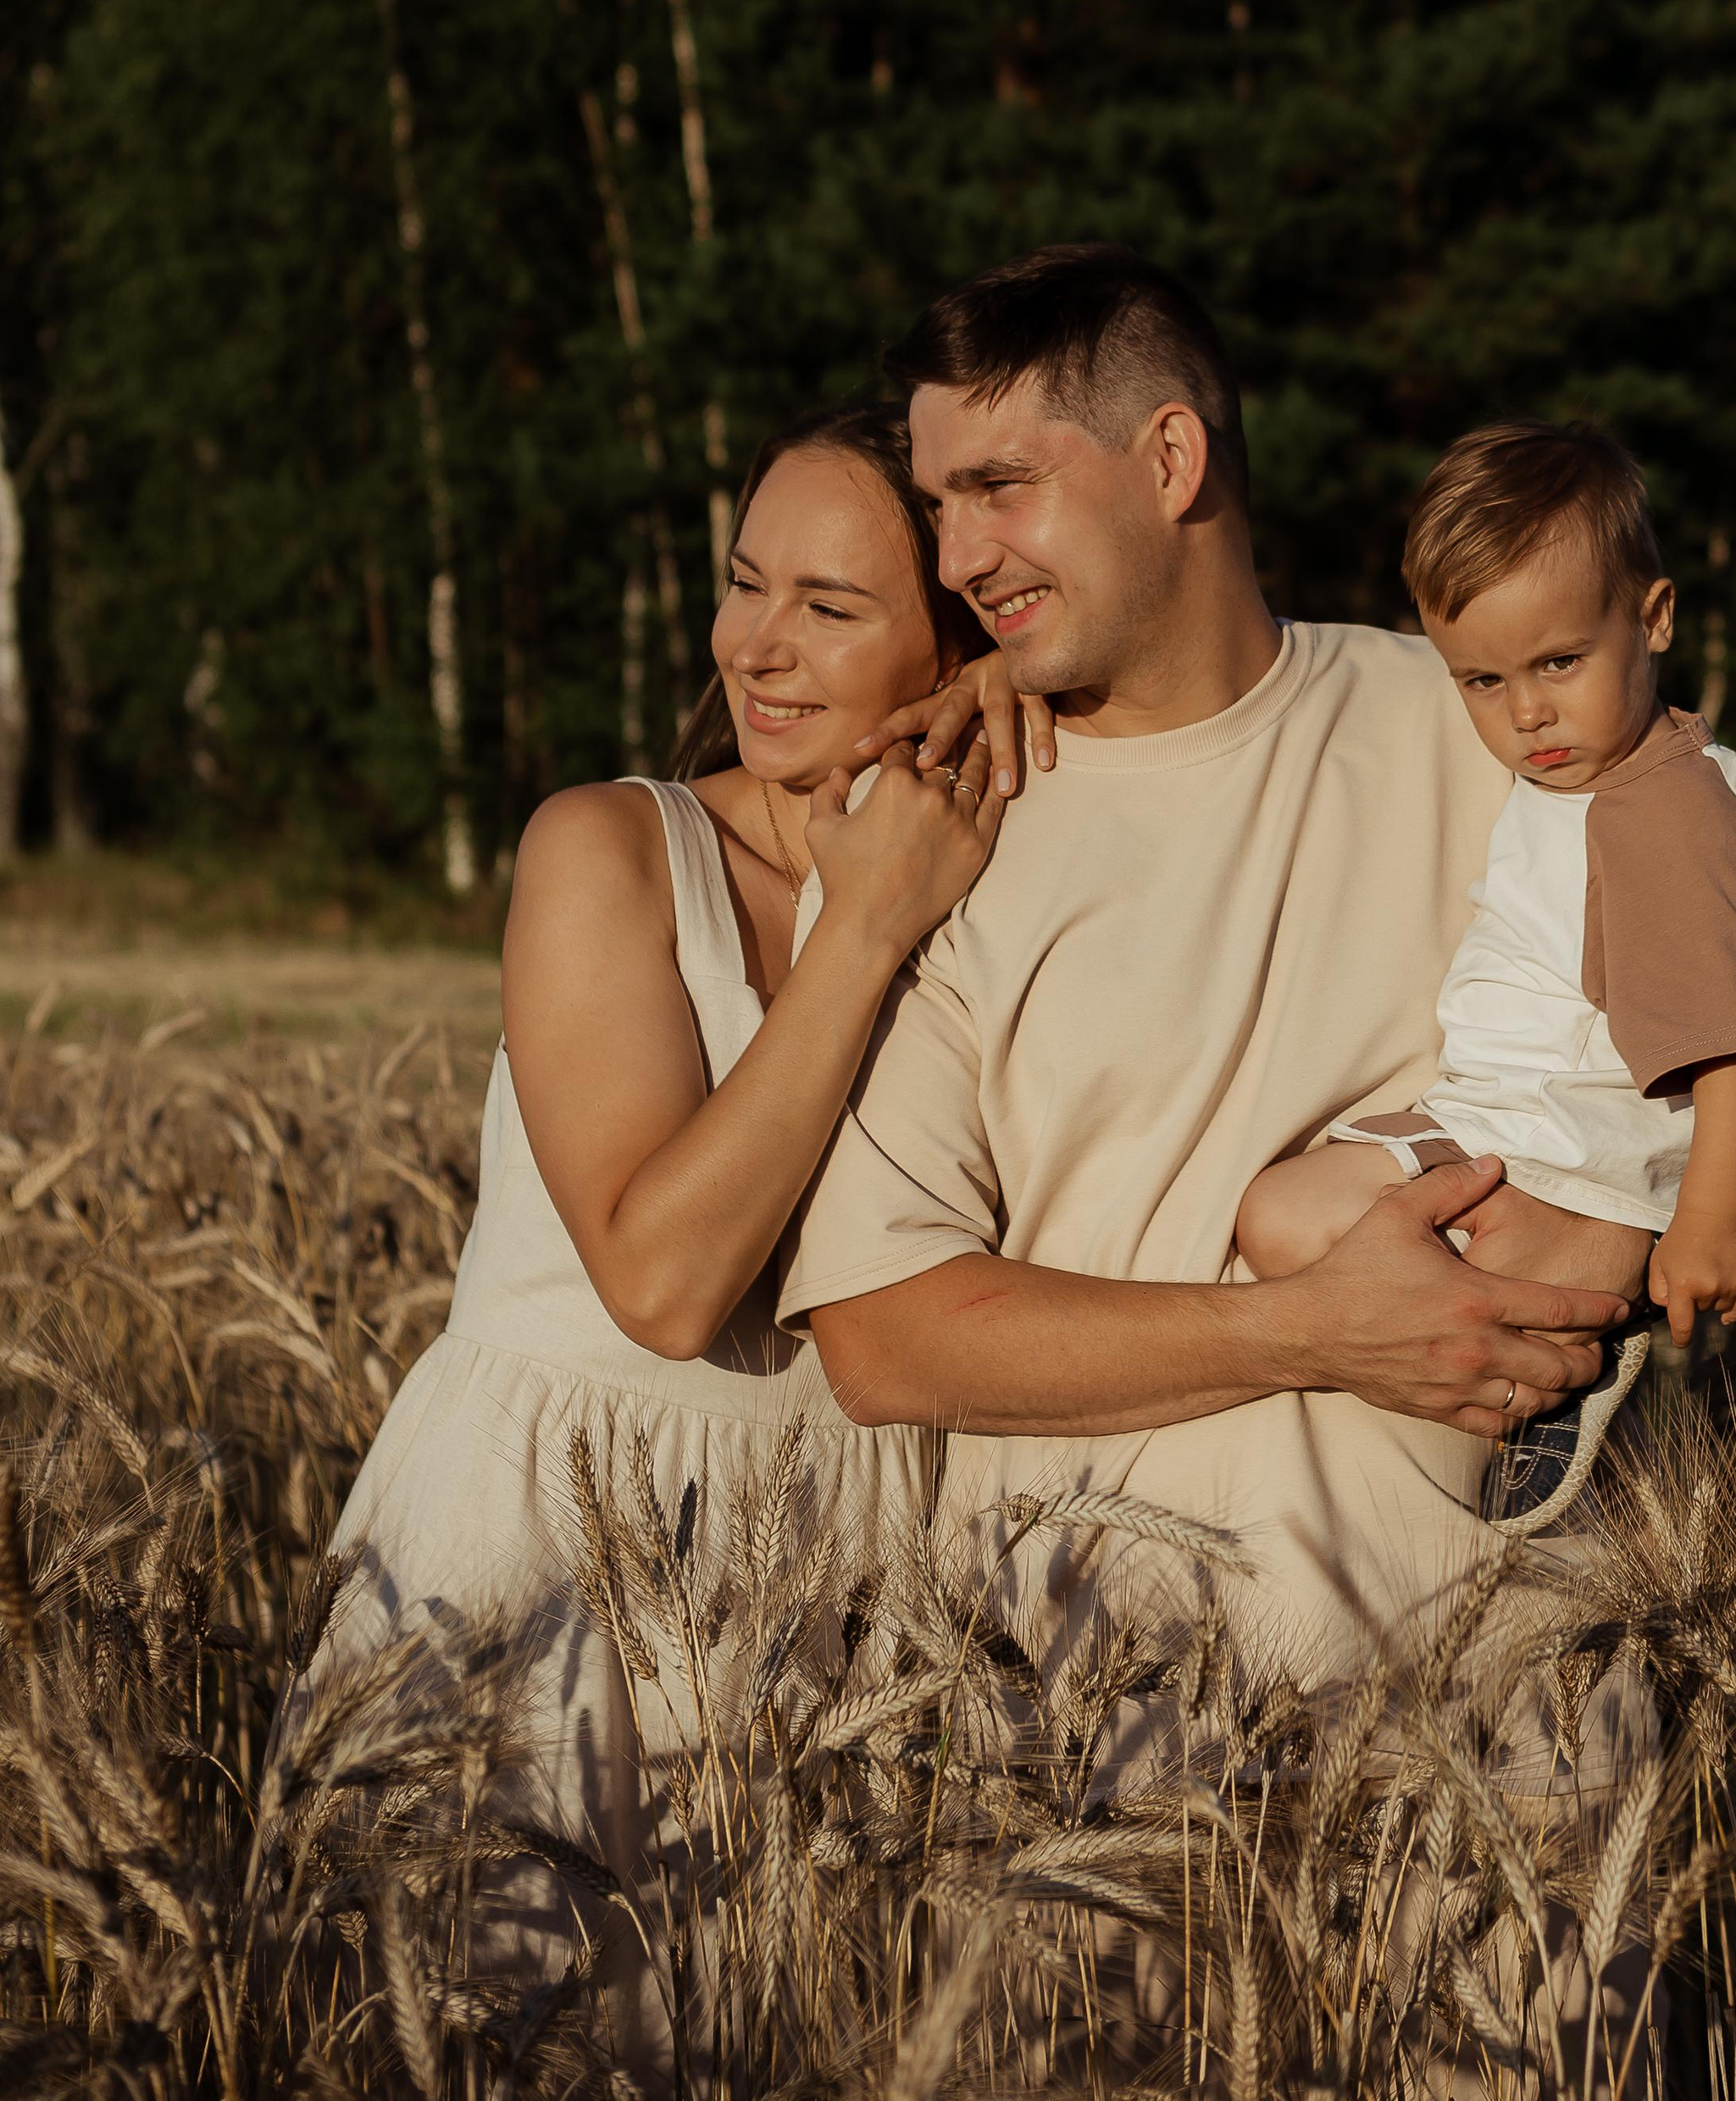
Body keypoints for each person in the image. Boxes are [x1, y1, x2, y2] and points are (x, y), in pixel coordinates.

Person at [282, 402, 1030, 2063]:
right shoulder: (606, 848)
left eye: (827, 608)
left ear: (954, 634)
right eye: (743, 583)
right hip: (536, 1563)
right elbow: (663, 1279)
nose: (754, 646)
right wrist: (865, 928)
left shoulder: (995, 872)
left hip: (828, 1583)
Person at [786, 246, 1634, 1673]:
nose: (955, 558)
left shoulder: (1483, 729)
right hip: (1077, 1743)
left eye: (1001, 487)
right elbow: (884, 1338)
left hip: (1494, 1728)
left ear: (1171, 456)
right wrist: (1310, 1329)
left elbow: (1712, 1067)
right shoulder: (928, 825)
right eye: (940, 506)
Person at [1236, 419, 1736, 1531]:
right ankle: (1529, 1344)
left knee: (1297, 1236)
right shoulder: (1597, 779)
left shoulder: (1664, 813)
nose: (1525, 711)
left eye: (1559, 664)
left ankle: (1558, 1354)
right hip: (1495, 1123)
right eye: (1482, 680)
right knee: (1280, 1219)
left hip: (1564, 1161)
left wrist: (1704, 1227)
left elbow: (1734, 1050)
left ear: (1656, 619)